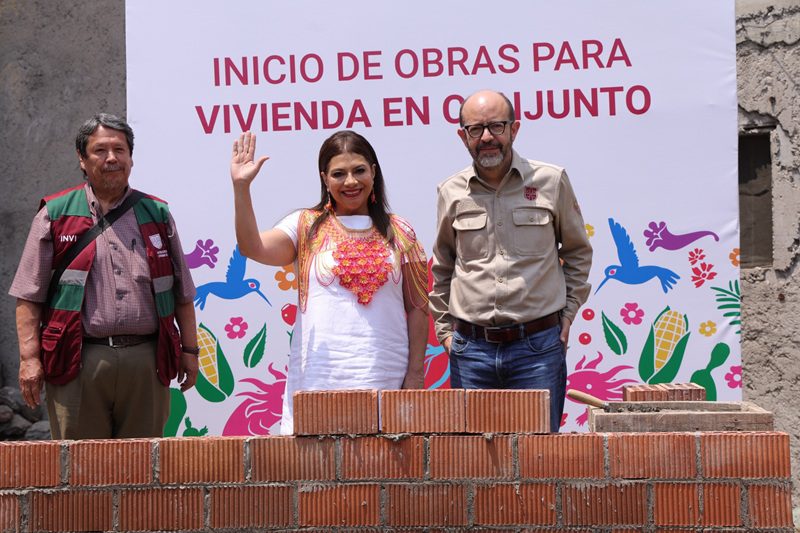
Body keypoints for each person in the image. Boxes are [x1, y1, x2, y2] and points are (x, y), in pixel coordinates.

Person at [9, 114, 199, 439]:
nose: (111, 158)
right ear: (82, 160)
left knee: (142, 471)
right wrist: (29, 358)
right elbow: (29, 297)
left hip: (147, 361)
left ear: (131, 158)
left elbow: (182, 294)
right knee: (80, 472)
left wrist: (190, 351)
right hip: (77, 361)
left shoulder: (157, 213)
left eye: (119, 150)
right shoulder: (55, 215)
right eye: (100, 150)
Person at [230, 130, 429, 435]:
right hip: (319, 378)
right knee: (317, 476)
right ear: (325, 178)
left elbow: (418, 307)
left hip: (385, 375)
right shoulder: (304, 225)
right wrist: (241, 189)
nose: (351, 181)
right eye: (339, 173)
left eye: (359, 170)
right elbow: (252, 247)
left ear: (373, 172)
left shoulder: (400, 231)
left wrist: (415, 376)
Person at [429, 90, 592, 432]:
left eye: (496, 126)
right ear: (463, 137)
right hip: (471, 352)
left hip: (538, 349)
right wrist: (446, 334)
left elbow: (577, 252)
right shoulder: (451, 191)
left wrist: (568, 314)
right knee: (474, 463)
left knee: (538, 459)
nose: (487, 137)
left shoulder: (550, 180)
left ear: (514, 129)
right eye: (476, 129)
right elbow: (443, 266)